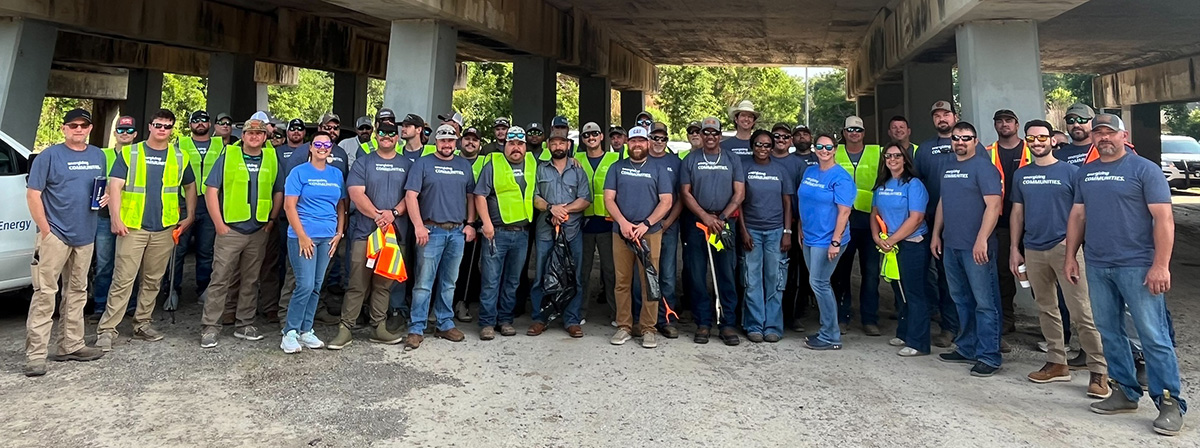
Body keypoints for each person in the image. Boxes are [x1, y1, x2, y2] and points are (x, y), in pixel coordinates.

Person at [1065, 114, 1185, 436]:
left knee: (1153, 335)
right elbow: (1078, 215)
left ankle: (1170, 402)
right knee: (1109, 331)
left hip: (1138, 266)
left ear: (1123, 136)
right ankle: (1125, 392)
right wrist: (1071, 257)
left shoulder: (1145, 170)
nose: (1103, 138)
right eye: (1098, 133)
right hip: (1098, 264)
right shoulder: (1086, 173)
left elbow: (1164, 221)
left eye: (1109, 132)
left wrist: (1161, 265)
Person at [1008, 119, 1109, 397]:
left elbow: (1083, 212)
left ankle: (1099, 371)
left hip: (1066, 250)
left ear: (1053, 140)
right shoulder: (1021, 175)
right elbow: (1017, 212)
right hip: (1033, 249)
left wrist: (1072, 244)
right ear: (1026, 142)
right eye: (1031, 139)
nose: (1037, 142)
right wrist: (1015, 248)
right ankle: (1057, 363)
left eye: (1042, 137)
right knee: (1046, 308)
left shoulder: (1072, 172)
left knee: (1081, 313)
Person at [97, 109, 198, 351]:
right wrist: (115, 218)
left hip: (164, 228)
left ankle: (142, 323)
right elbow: (115, 186)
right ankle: (107, 330)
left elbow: (190, 185)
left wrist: (190, 215)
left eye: (167, 126)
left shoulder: (179, 156)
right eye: (158, 125)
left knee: (152, 280)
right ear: (150, 127)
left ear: (172, 129)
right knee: (123, 280)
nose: (162, 129)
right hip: (133, 227)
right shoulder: (132, 153)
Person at [23, 108, 108, 376]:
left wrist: (104, 199)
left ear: (90, 128)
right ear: (64, 129)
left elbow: (99, 187)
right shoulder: (49, 156)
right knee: (45, 293)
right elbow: (33, 194)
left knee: (77, 292)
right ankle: (35, 355)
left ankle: (71, 345)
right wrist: (46, 231)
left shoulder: (98, 156)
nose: (79, 129)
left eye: (84, 125)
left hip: (85, 235)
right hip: (55, 235)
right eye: (73, 125)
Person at [198, 115, 283, 348]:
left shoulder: (271, 157)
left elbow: (278, 191)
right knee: (220, 279)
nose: (254, 136)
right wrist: (218, 223)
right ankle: (210, 327)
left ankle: (244, 323)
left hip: (258, 229)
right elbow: (211, 190)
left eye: (259, 133)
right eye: (250, 133)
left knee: (251, 279)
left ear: (265, 137)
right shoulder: (228, 155)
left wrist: (271, 220)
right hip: (230, 230)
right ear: (243, 136)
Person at [931, 121, 1003, 377]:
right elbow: (943, 202)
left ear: (975, 141)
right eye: (956, 138)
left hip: (976, 248)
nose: (960, 142)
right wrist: (936, 234)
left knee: (985, 303)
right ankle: (967, 346)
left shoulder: (984, 168)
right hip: (951, 245)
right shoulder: (948, 166)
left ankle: (989, 355)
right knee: (961, 299)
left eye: (966, 138)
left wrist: (982, 239)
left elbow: (994, 206)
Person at [330, 121, 410, 349]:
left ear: (397, 138)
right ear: (376, 136)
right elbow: (355, 192)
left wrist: (393, 213)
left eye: (391, 133)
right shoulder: (364, 162)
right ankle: (345, 329)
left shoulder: (406, 164)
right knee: (357, 284)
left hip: (394, 235)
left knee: (383, 285)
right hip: (365, 233)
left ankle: (379, 327)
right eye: (382, 132)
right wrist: (378, 216)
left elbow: (412, 194)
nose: (387, 136)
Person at [403, 125, 478, 350]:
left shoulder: (464, 165)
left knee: (449, 283)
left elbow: (471, 196)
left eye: (451, 141)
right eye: (443, 140)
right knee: (424, 283)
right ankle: (416, 327)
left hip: (456, 232)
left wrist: (470, 224)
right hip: (431, 230)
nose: (447, 145)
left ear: (456, 143)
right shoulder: (423, 163)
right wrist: (418, 226)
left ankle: (444, 323)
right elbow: (411, 196)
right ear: (436, 141)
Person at [604, 126, 673, 349]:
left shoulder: (659, 169)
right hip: (622, 233)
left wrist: (645, 224)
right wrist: (623, 223)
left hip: (649, 234)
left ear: (648, 143)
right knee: (622, 281)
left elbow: (666, 201)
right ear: (627, 143)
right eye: (633, 141)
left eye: (641, 141)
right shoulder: (617, 167)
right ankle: (624, 325)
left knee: (649, 282)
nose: (637, 145)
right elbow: (609, 199)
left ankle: (648, 329)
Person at [681, 116, 745, 346]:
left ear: (720, 135)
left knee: (725, 273)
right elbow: (685, 193)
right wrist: (705, 217)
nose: (709, 137)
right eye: (705, 132)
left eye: (714, 133)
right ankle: (703, 323)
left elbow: (739, 193)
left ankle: (727, 324)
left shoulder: (731, 159)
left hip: (723, 225)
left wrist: (722, 218)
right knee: (697, 274)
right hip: (698, 224)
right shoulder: (690, 160)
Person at [281, 131, 346, 353]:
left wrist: (339, 233)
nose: (322, 147)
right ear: (310, 146)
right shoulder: (298, 173)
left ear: (331, 148)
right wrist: (302, 236)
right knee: (305, 285)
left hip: (327, 237)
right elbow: (289, 206)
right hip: (303, 237)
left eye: (326, 144)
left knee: (317, 286)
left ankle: (306, 330)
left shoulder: (336, 174)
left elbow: (340, 206)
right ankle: (289, 332)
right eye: (318, 143)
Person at [913, 100, 970, 348]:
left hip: (966, 222)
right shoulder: (924, 150)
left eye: (946, 113)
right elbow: (917, 185)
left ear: (955, 116)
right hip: (933, 222)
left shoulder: (970, 145)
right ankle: (948, 327)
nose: (942, 118)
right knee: (943, 277)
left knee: (970, 277)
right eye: (937, 115)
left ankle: (977, 329)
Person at [528, 128, 591, 337]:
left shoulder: (578, 170)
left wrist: (563, 210)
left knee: (575, 276)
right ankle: (540, 318)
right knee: (541, 275)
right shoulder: (540, 169)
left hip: (572, 231)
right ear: (548, 146)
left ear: (568, 145)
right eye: (554, 143)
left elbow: (585, 199)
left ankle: (571, 320)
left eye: (562, 143)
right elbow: (535, 197)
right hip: (546, 231)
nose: (558, 146)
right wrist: (550, 208)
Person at [870, 141, 932, 356]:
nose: (892, 160)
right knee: (900, 291)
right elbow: (874, 212)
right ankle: (904, 332)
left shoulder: (914, 184)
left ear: (905, 159)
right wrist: (876, 237)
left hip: (911, 244)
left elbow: (916, 218)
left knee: (914, 293)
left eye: (897, 156)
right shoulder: (882, 184)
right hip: (890, 246)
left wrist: (892, 240)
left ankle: (919, 342)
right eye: (888, 156)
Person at [474, 126, 534, 340]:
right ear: (505, 145)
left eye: (519, 144)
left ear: (525, 146)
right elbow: (479, 195)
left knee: (513, 280)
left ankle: (505, 320)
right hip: (496, 232)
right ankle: (487, 322)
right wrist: (487, 224)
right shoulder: (493, 163)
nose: (515, 148)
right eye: (511, 144)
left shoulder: (533, 163)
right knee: (491, 279)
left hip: (522, 232)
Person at [797, 133, 855, 350]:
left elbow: (844, 211)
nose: (824, 150)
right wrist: (800, 226)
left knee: (819, 283)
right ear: (814, 149)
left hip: (828, 239)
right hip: (809, 237)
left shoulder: (841, 177)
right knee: (818, 282)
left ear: (835, 150)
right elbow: (804, 200)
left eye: (829, 147)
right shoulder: (810, 171)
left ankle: (831, 335)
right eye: (820, 146)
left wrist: (836, 241)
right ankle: (827, 330)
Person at [738, 130, 793, 343]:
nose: (763, 149)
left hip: (776, 232)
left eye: (767, 145)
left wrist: (787, 232)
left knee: (775, 279)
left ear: (772, 147)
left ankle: (772, 326)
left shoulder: (780, 170)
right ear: (753, 146)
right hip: (751, 230)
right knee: (752, 280)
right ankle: (754, 324)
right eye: (759, 144)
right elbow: (739, 202)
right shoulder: (744, 167)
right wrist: (743, 230)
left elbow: (787, 203)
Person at [832, 115, 883, 336]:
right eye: (850, 130)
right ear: (843, 133)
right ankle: (842, 317)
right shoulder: (835, 152)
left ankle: (869, 319)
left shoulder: (877, 152)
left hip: (870, 219)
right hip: (842, 220)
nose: (854, 134)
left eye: (858, 130)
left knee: (871, 272)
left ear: (864, 133)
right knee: (841, 272)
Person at [987, 109, 1031, 339]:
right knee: (1003, 274)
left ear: (1017, 124)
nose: (1004, 124)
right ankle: (1007, 319)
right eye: (999, 121)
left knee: (1040, 275)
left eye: (1008, 121)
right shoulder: (987, 153)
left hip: (1034, 223)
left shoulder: (1032, 149)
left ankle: (1053, 327)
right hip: (1002, 224)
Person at [89, 116, 138, 323]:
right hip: (103, 217)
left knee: (129, 264)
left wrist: (115, 187)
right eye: (121, 130)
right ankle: (101, 306)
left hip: (130, 217)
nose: (124, 134)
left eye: (128, 131)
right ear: (115, 133)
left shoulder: (139, 156)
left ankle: (130, 305)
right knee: (104, 264)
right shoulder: (102, 155)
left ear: (135, 134)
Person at [171, 110, 222, 307]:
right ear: (190, 124)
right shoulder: (179, 144)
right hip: (184, 203)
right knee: (179, 249)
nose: (200, 123)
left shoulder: (221, 146)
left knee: (206, 250)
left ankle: (204, 289)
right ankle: (173, 290)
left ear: (210, 124)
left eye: (204, 120)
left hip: (210, 203)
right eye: (196, 121)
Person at [576, 122, 619, 324]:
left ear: (602, 136)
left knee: (611, 272)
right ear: (582, 139)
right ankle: (580, 311)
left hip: (608, 224)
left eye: (594, 134)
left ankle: (616, 313)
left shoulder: (615, 158)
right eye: (586, 135)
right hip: (582, 224)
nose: (591, 137)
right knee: (582, 272)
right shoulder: (576, 159)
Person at [644, 121, 684, 338]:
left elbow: (681, 196)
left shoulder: (675, 162)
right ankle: (643, 318)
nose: (658, 142)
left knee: (666, 275)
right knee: (644, 274)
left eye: (663, 138)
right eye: (655, 138)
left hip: (668, 227)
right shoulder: (640, 158)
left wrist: (668, 221)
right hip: (644, 228)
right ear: (648, 139)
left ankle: (666, 319)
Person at [771, 122, 811, 331]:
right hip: (766, 224)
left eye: (785, 137)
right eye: (776, 136)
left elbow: (802, 197)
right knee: (771, 272)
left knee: (795, 273)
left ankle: (794, 315)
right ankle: (771, 314)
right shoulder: (763, 159)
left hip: (794, 225)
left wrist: (798, 226)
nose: (781, 140)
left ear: (790, 140)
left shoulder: (798, 164)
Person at [452, 125, 488, 323]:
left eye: (475, 139)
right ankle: (443, 303)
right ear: (460, 141)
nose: (470, 142)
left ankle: (462, 302)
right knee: (448, 264)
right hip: (451, 217)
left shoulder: (487, 161)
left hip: (474, 221)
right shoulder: (451, 159)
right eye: (467, 138)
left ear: (480, 144)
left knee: (469, 264)